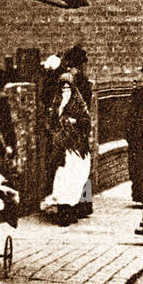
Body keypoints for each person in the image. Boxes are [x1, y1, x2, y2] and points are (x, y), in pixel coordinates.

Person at [41, 73, 91, 225]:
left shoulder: (79, 103)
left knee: (76, 179)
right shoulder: (56, 102)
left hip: (75, 146)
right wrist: (56, 131)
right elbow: (49, 122)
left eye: (68, 88)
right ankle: (63, 212)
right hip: (61, 147)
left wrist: (73, 122)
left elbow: (86, 121)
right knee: (62, 178)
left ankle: (72, 210)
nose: (65, 91)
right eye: (63, 88)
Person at [125, 79, 143, 205]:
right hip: (137, 141)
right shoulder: (137, 97)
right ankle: (140, 196)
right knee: (138, 170)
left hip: (140, 141)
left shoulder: (140, 97)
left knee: (139, 170)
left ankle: (142, 197)